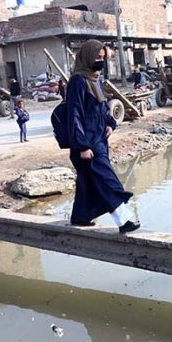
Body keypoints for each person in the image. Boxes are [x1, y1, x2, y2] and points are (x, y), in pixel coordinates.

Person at [67, 39, 140, 233]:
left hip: (99, 139)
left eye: (103, 58)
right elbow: (74, 114)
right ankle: (124, 221)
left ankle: (80, 217)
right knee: (106, 180)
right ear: (88, 57)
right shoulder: (78, 81)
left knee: (87, 182)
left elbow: (101, 108)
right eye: (97, 57)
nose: (100, 61)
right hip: (87, 143)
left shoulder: (95, 79)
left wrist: (110, 123)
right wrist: (82, 146)